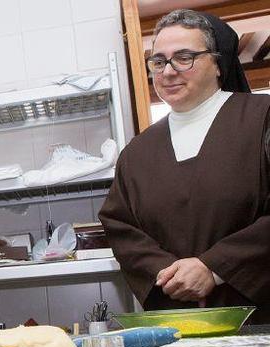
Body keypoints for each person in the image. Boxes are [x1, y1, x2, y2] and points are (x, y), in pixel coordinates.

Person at [99, 9, 269, 323]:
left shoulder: (262, 117)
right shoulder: (137, 151)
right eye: (159, 61)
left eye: (185, 57)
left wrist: (214, 268)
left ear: (218, 64)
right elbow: (120, 226)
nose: (168, 71)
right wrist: (169, 274)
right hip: (177, 325)